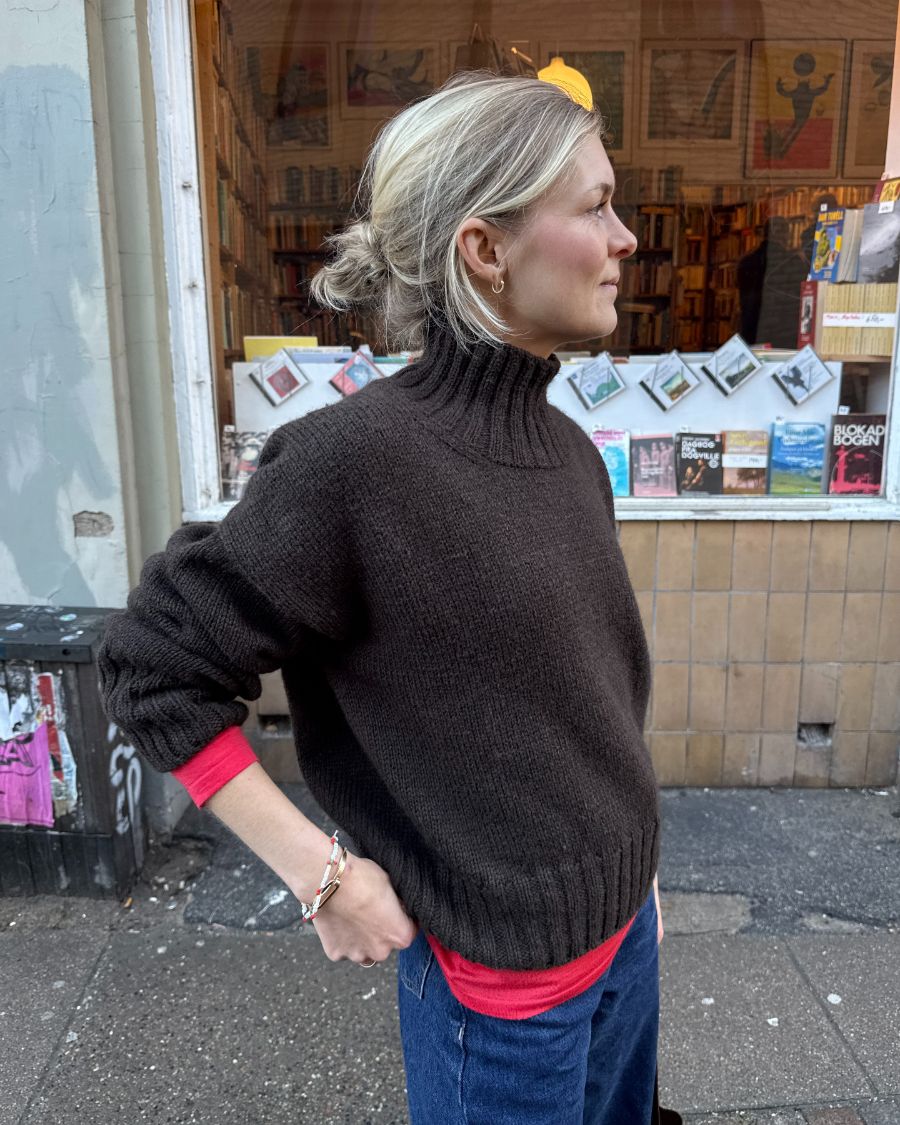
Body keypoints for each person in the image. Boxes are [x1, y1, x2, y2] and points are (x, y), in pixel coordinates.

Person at [98, 71, 666, 1124]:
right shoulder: (349, 466)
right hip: (504, 1005)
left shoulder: (569, 453)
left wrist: (639, 876)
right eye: (594, 206)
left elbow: (589, 700)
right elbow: (154, 666)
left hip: (627, 944)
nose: (625, 238)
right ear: (485, 249)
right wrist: (320, 877)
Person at [736, 215, 808, 347]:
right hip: (782, 335)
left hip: (751, 330)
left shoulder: (746, 262)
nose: (789, 237)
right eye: (787, 232)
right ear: (781, 233)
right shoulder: (791, 262)